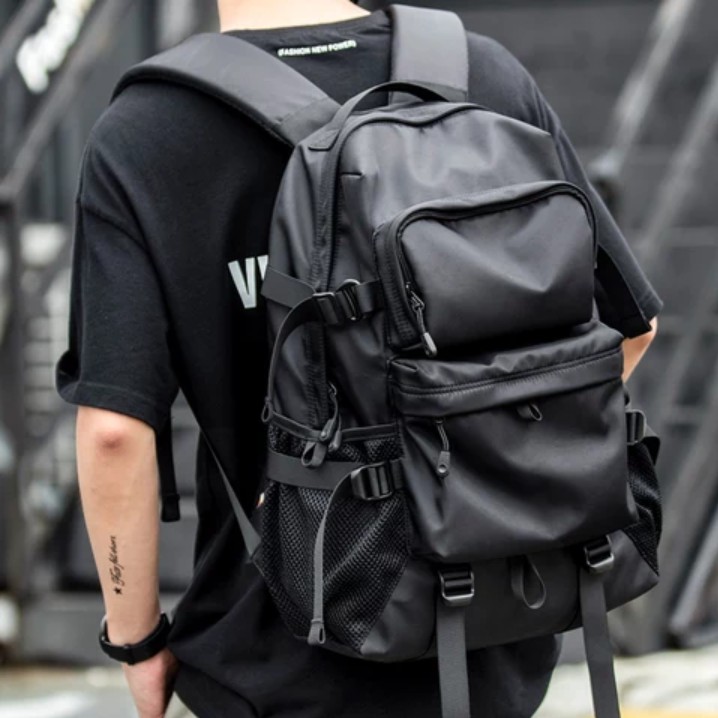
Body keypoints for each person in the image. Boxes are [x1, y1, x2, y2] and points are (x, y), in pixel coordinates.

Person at [56, 1, 661, 716]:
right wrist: (471, 473)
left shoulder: (146, 130)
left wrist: (135, 641)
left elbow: (115, 433)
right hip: (496, 642)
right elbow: (630, 325)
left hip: (275, 658)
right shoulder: (482, 72)